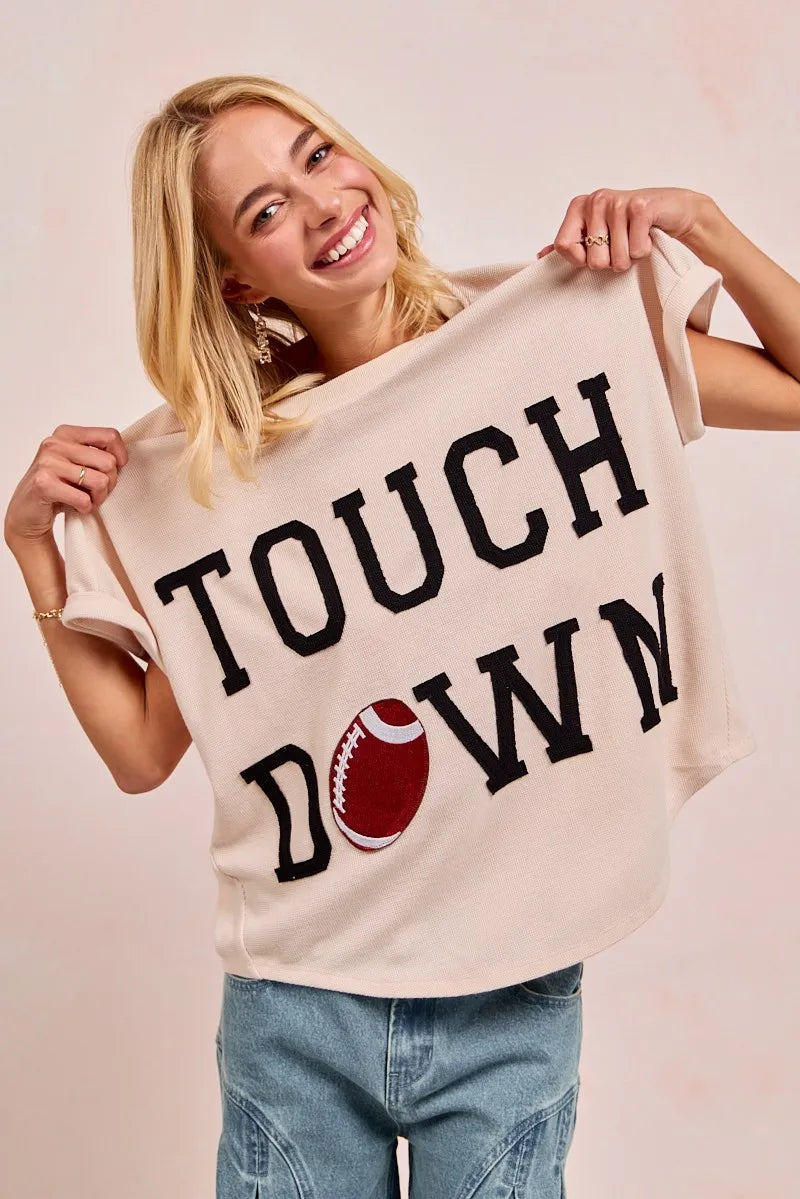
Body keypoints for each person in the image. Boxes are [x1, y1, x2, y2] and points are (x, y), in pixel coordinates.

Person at [6, 73, 800, 1199]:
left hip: (510, 985)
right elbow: (139, 750)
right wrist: (32, 548)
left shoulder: (554, 339)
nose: (323, 204)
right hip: (296, 1000)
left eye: (317, 155)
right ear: (233, 276)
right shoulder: (217, 472)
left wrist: (703, 226)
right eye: (265, 210)